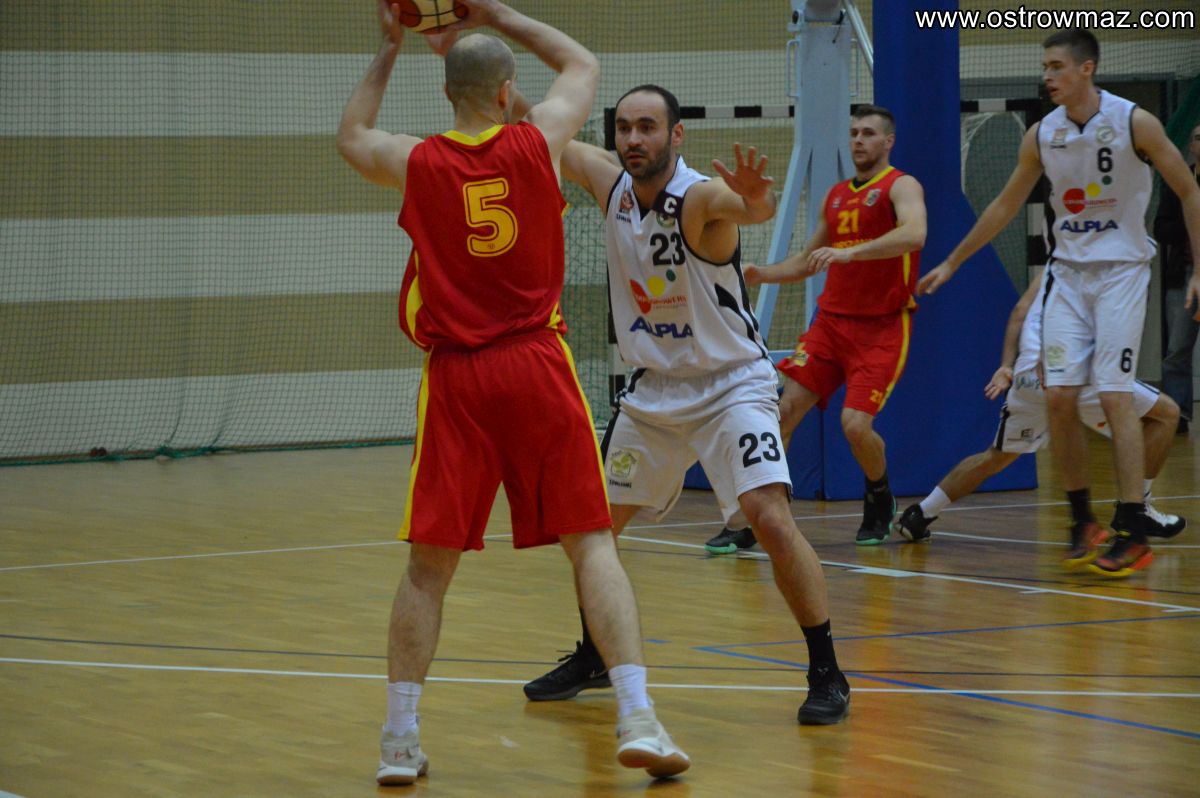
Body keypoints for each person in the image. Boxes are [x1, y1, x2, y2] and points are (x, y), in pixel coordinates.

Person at [336, 1, 688, 783]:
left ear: (448, 94)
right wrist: (494, 13)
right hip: (535, 364)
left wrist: (389, 48)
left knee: (428, 567)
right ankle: (638, 715)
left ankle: (399, 738)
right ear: (505, 94)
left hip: (457, 378)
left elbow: (352, 136)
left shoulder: (419, 161)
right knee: (591, 543)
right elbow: (582, 65)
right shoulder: (537, 141)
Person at [522, 85, 852, 726]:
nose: (633, 138)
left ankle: (827, 672)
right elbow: (545, 131)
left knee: (768, 515)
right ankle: (595, 654)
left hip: (732, 383)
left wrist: (757, 200)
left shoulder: (697, 197)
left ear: (676, 135)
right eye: (624, 127)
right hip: (655, 389)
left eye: (647, 126)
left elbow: (745, 208)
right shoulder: (610, 185)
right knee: (591, 528)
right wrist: (500, 96)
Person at [919, 29, 1200, 577]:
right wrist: (953, 261)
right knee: (1060, 395)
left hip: (1121, 273)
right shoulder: (1043, 134)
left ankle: (1132, 525)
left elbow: (1189, 190)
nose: (1047, 76)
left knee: (1115, 395)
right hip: (1066, 275)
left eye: (1056, 66)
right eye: (1045, 67)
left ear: (1085, 69)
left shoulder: (1135, 122)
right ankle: (1082, 520)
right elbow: (1005, 205)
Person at [730, 104, 927, 549]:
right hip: (831, 324)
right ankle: (759, 516)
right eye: (853, 132)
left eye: (868, 133)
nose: (858, 140)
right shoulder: (837, 195)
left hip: (881, 328)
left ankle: (879, 492)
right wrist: (763, 274)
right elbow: (808, 260)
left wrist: (851, 253)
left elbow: (915, 234)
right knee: (782, 413)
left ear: (888, 141)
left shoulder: (901, 185)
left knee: (855, 425)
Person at [896, 271, 1187, 545]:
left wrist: (1006, 366)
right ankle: (1136, 508)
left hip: (1028, 376)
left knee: (997, 456)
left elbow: (1019, 312)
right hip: (1070, 371)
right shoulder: (1105, 263)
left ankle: (921, 513)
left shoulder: (1052, 266)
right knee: (1165, 414)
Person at [1157, 122, 1200, 434]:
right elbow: (1161, 229)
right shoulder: (1177, 182)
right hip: (1183, 275)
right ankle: (1177, 416)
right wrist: (1191, 223)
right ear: (1191, 146)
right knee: (1177, 349)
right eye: (1199, 137)